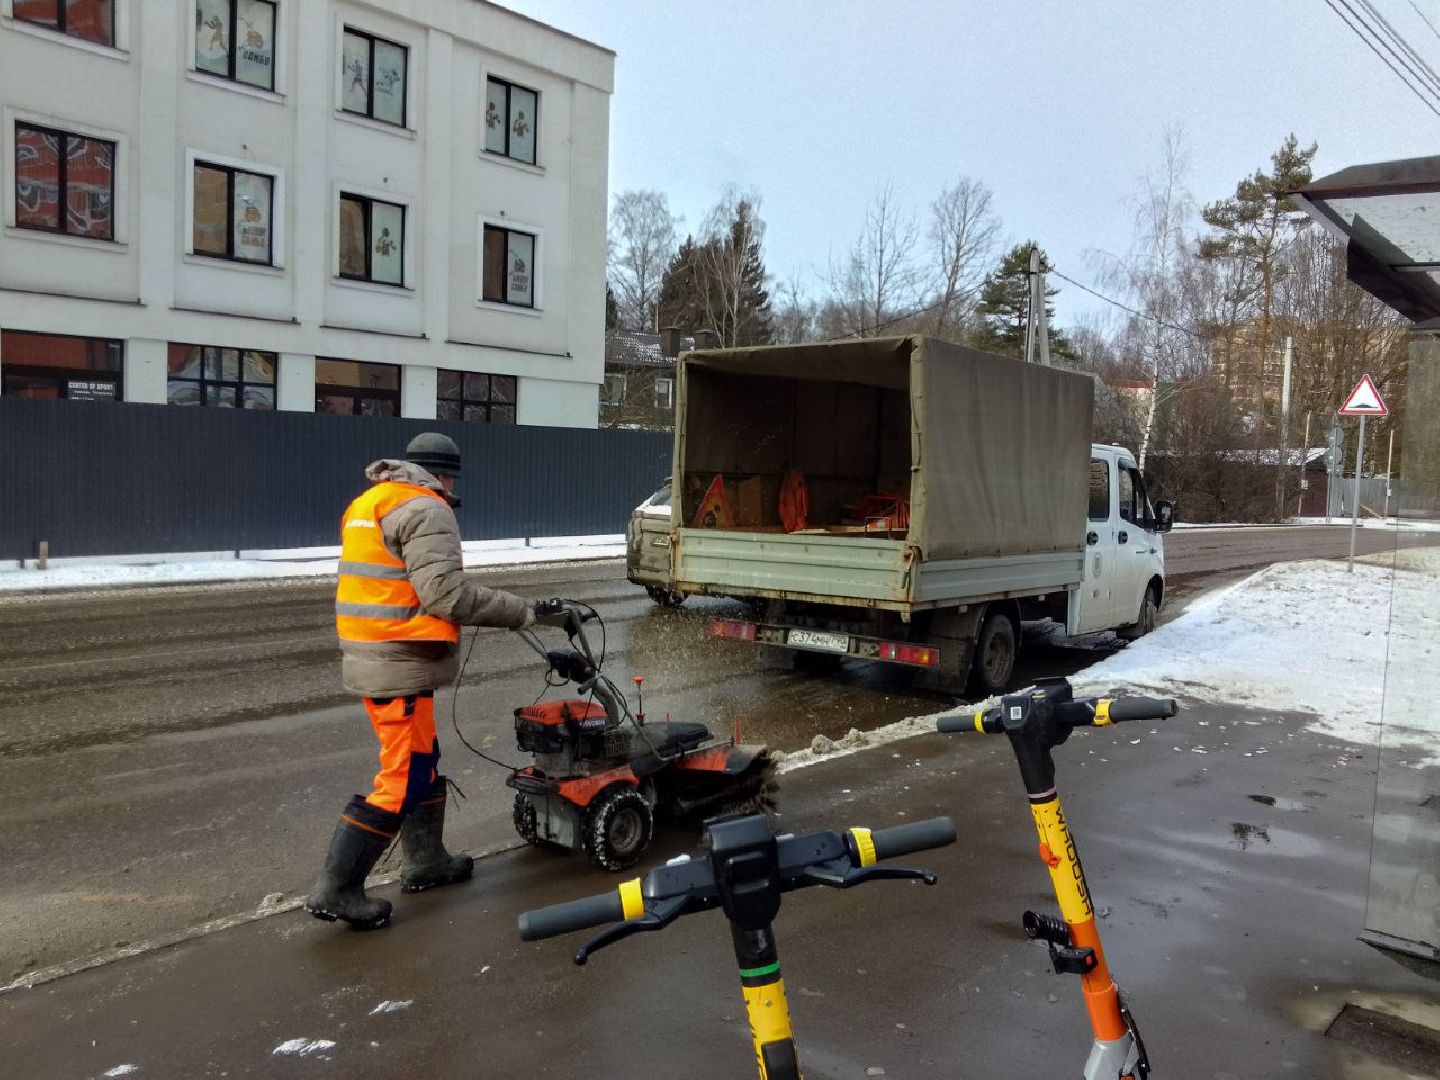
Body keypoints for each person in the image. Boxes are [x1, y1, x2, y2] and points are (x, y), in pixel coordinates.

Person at [306, 432, 536, 930]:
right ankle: (337, 888)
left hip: (379, 650)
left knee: (424, 761)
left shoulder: (371, 501)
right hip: (399, 658)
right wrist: (521, 611)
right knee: (404, 776)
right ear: (446, 476)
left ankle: (426, 862)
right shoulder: (428, 509)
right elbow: (446, 597)